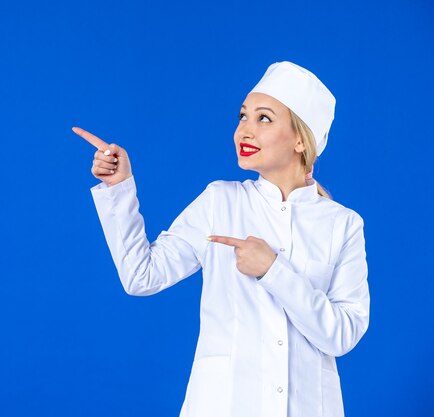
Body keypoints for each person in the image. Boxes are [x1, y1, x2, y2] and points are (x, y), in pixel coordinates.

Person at [73, 61, 369, 417]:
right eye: (242, 116)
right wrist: (119, 188)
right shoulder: (220, 201)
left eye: (264, 118)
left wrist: (273, 270)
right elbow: (141, 276)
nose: (244, 130)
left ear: (300, 140)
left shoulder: (342, 224)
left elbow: (343, 335)